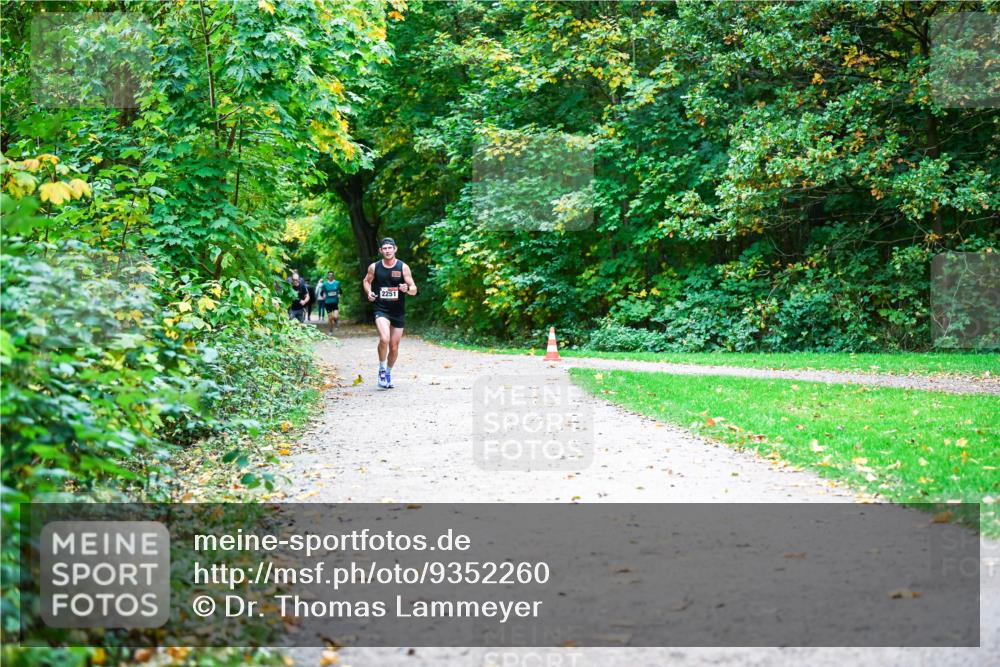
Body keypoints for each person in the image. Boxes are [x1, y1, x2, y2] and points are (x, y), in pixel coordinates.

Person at [362, 238, 417, 389]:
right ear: (380, 251)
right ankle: (381, 369)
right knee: (384, 338)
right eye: (384, 248)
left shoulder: (403, 267)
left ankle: (388, 372)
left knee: (394, 347)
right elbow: (366, 281)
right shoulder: (374, 267)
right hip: (381, 309)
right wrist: (370, 292)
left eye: (389, 248)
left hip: (398, 311)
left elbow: (414, 288)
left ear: (395, 249)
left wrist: (407, 289)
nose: (387, 250)